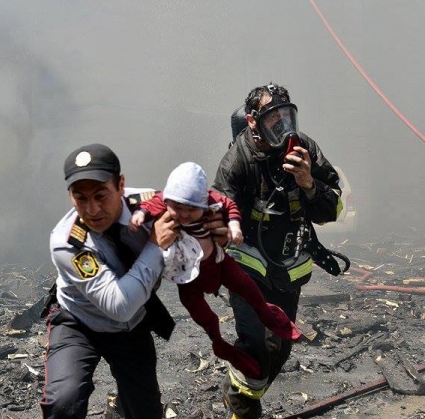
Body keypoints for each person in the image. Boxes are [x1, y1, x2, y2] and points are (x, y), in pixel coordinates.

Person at [42, 143, 228, 419]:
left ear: (122, 185)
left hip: (134, 325)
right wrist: (155, 246)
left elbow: (205, 222)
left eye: (101, 195)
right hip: (79, 322)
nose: (91, 209)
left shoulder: (156, 205)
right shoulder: (66, 241)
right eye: (80, 198)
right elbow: (118, 305)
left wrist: (215, 235)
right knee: (62, 403)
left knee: (145, 412)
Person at [213, 83, 343, 419]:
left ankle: (239, 398)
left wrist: (308, 183)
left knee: (280, 349)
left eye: (287, 115)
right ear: (252, 120)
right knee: (258, 342)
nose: (282, 125)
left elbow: (332, 210)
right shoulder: (238, 159)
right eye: (273, 117)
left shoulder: (305, 148)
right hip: (247, 262)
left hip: (289, 263)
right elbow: (219, 206)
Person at [129, 162, 301, 379]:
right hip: (188, 276)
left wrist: (234, 227)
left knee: (250, 291)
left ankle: (271, 317)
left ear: (202, 202)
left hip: (219, 264)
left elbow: (230, 206)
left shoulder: (212, 200)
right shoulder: (166, 200)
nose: (183, 214)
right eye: (177, 207)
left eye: (191, 209)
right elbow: (151, 204)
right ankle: (221, 345)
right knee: (204, 316)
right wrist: (140, 215)